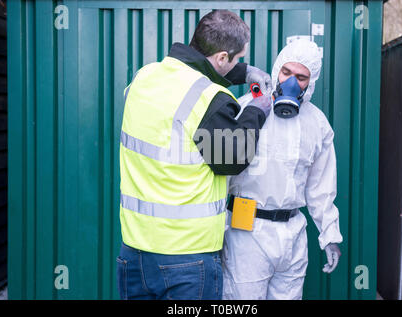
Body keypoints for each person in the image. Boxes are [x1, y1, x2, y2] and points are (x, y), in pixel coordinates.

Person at [117, 10, 272, 300]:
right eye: (237, 59)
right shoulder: (209, 99)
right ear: (222, 57)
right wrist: (255, 111)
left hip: (134, 253)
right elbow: (233, 159)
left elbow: (191, 72)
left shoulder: (144, 77)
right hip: (186, 260)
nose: (237, 63)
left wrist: (244, 72)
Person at [222, 37, 344, 300]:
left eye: (301, 77)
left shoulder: (317, 123)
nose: (290, 82)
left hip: (293, 233)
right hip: (246, 232)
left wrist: (330, 234)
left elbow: (321, 187)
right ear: (277, 69)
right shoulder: (247, 109)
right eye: (286, 72)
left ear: (310, 82)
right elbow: (221, 175)